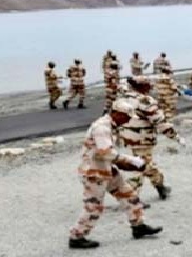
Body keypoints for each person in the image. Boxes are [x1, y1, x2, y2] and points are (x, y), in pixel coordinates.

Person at [68, 99, 163, 249]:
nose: (128, 120)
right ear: (117, 114)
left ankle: (138, 226)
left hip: (106, 169)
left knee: (129, 195)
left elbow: (109, 156)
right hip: (94, 173)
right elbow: (106, 152)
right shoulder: (102, 128)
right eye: (126, 117)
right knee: (94, 207)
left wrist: (129, 164)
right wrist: (131, 160)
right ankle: (76, 237)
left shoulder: (110, 125)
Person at [120, 76, 185, 198]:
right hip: (142, 139)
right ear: (142, 86)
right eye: (148, 84)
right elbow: (160, 122)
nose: (150, 86)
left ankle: (160, 186)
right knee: (140, 166)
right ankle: (131, 197)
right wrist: (176, 136)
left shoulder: (126, 98)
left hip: (129, 137)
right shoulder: (146, 101)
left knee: (146, 163)